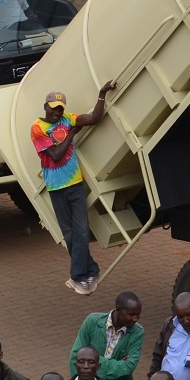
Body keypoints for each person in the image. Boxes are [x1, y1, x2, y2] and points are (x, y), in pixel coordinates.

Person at [30, 84, 115, 294]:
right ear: (45, 107)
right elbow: (56, 155)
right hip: (56, 187)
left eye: (60, 109)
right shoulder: (37, 128)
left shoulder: (69, 119)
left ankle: (78, 277)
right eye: (53, 108)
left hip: (75, 184)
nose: (56, 113)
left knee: (82, 231)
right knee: (70, 234)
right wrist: (71, 134)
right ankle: (91, 269)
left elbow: (94, 118)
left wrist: (102, 95)